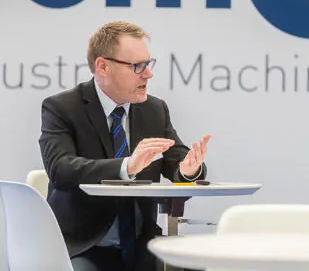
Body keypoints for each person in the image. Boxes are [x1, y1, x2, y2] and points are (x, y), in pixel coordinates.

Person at [39, 21, 210, 270]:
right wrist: (126, 166)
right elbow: (61, 169)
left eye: (148, 64)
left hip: (143, 246)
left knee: (196, 266)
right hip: (84, 246)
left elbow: (176, 158)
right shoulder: (62, 108)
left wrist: (188, 170)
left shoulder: (154, 109)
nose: (148, 74)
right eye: (137, 66)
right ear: (103, 67)